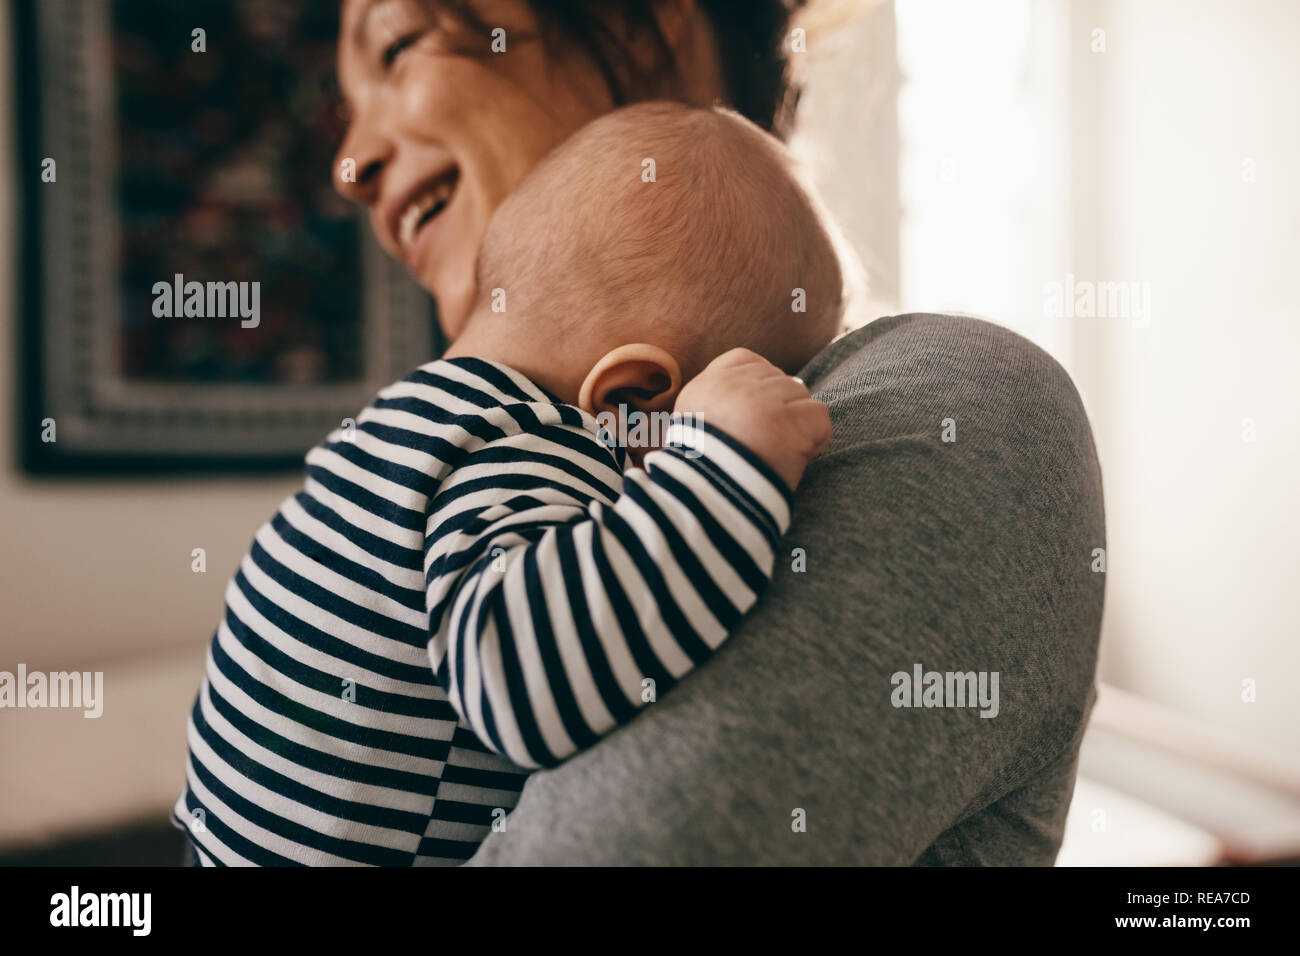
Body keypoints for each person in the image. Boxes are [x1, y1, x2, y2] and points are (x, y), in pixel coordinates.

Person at [334, 0, 1105, 865]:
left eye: (397, 46)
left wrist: (721, 456)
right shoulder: (476, 452)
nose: (347, 165)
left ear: (638, 20)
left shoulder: (954, 402)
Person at [173, 101, 842, 865]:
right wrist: (728, 463)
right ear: (630, 400)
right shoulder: (524, 445)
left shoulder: (403, 433)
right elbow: (525, 687)